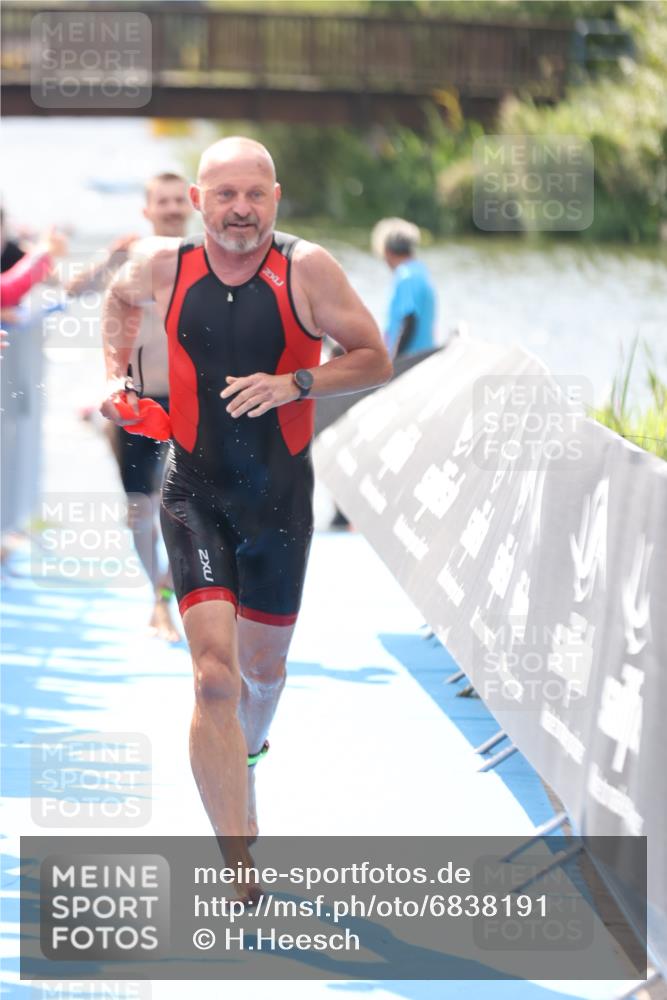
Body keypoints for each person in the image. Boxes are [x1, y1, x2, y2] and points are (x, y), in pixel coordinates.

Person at [99, 137, 392, 894]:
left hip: (279, 502)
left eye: (254, 195)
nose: (239, 210)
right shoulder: (162, 265)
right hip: (194, 493)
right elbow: (119, 300)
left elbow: (373, 356)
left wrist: (297, 381)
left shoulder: (307, 270)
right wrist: (114, 379)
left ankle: (249, 763)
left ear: (275, 196)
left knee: (263, 676)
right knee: (213, 683)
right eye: (224, 195)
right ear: (197, 201)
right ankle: (234, 854)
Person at [68, 173, 192, 642]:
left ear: (192, 204)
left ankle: (176, 594)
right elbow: (75, 291)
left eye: (180, 200)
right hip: (139, 400)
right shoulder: (133, 257)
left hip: (189, 399)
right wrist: (107, 261)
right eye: (163, 201)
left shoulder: (206, 256)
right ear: (147, 209)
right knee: (140, 507)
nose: (172, 208)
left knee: (186, 506)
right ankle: (157, 596)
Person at [373, 217, 437, 359]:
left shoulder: (406, 277)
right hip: (424, 356)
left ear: (388, 251)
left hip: (411, 359)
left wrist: (394, 363)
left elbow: (409, 321)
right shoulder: (420, 271)